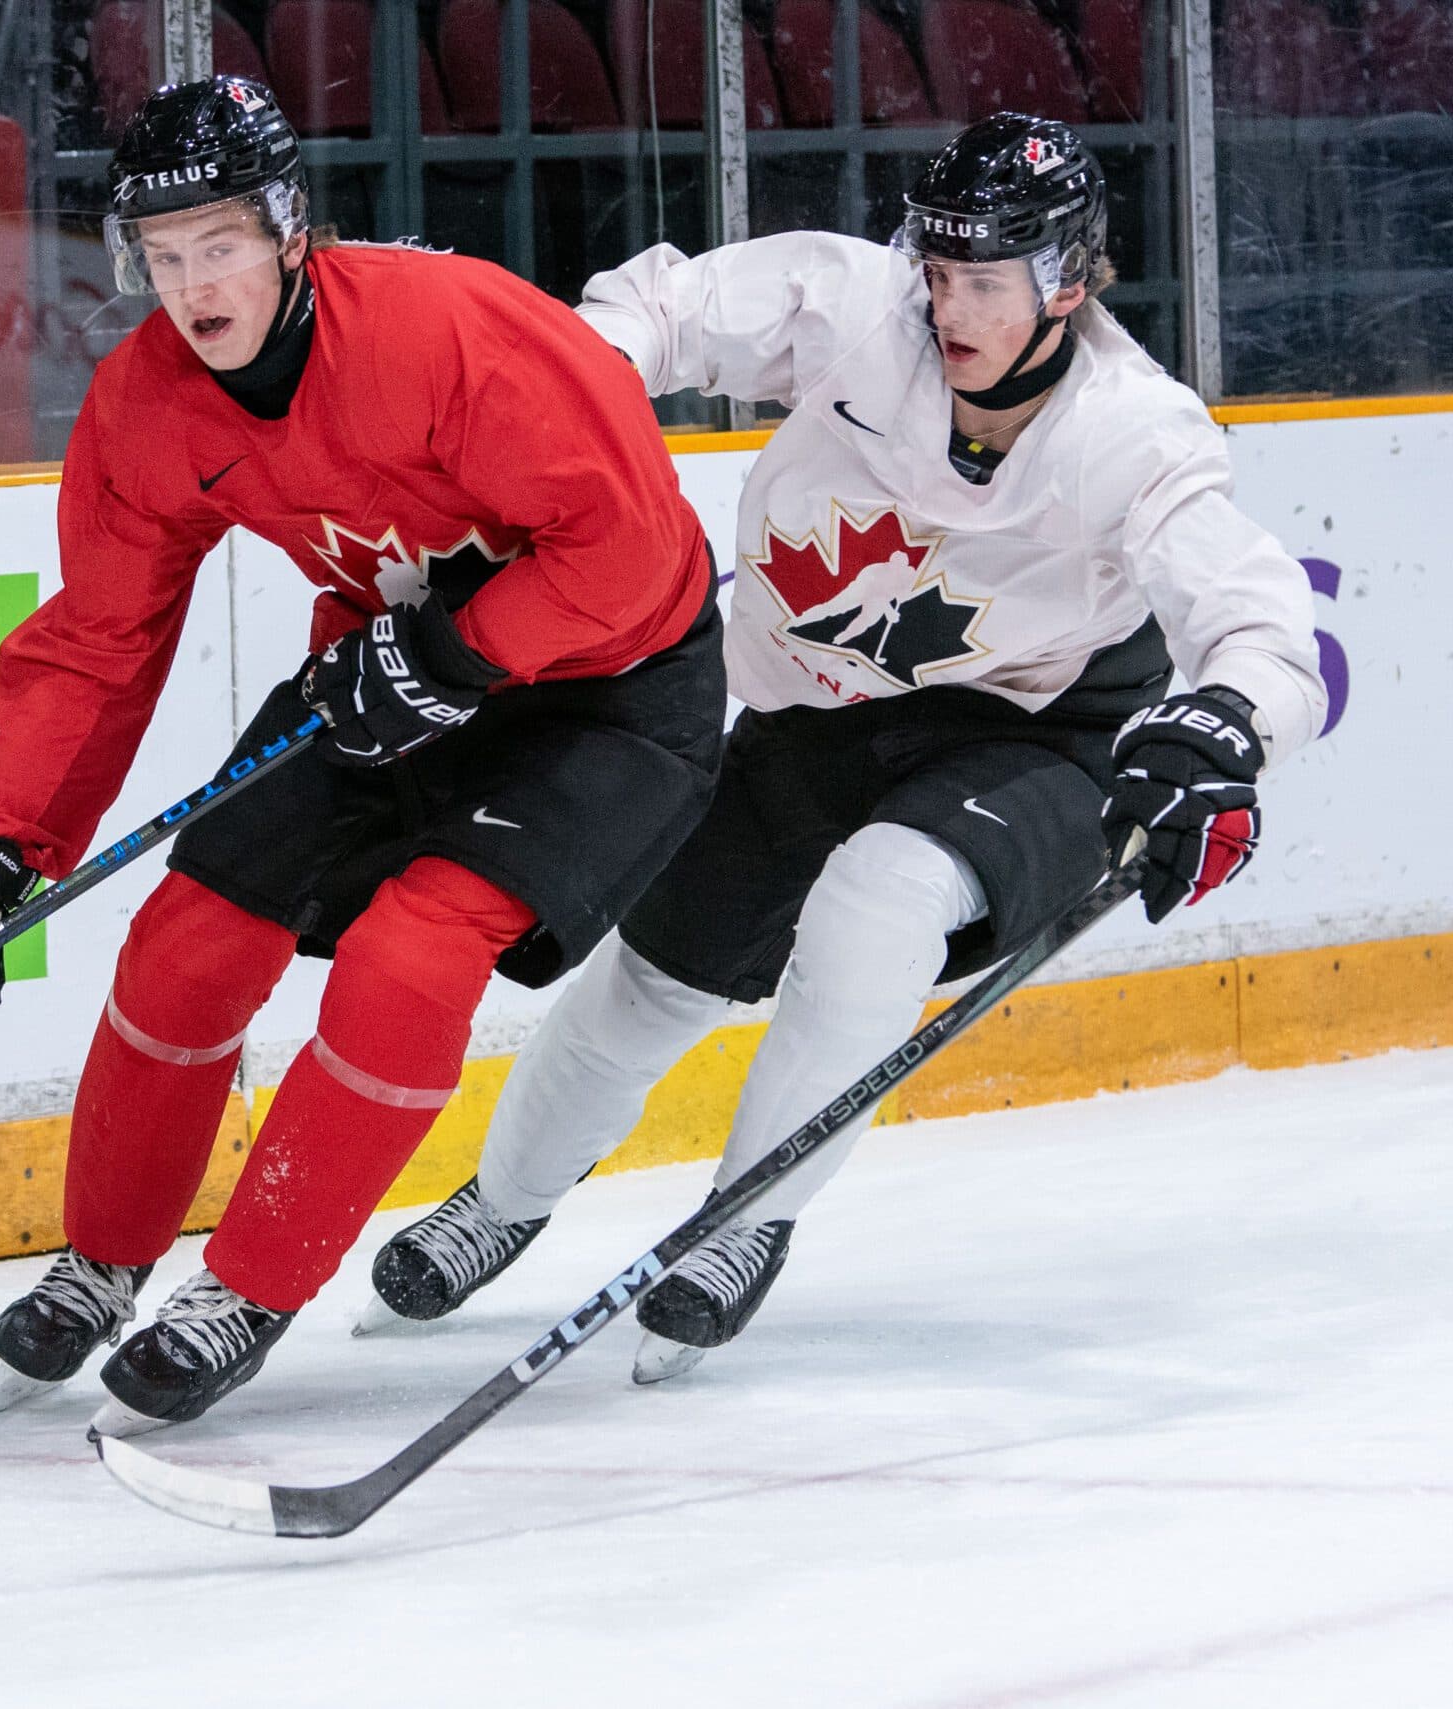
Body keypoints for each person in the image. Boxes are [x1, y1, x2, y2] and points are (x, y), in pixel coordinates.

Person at [366, 113, 1328, 1383]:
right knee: (653, 981)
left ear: (1070, 281)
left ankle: (745, 1214)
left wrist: (1226, 719)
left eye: (986, 282)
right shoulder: (850, 305)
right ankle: (503, 1198)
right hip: (813, 713)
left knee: (880, 899)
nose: (949, 307)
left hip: (1042, 728)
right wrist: (549, 412)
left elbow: (1258, 619)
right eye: (938, 273)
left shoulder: (1130, 430)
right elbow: (662, 312)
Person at [0, 76, 725, 1434]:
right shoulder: (148, 404)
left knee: (409, 957)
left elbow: (629, 549)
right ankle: (101, 1262)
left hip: (609, 690)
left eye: (218, 246)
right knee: (187, 933)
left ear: (286, 233)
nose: (193, 287)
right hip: (389, 671)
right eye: (162, 257)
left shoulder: (454, 333)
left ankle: (248, 1286)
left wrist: (459, 652)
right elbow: (97, 645)